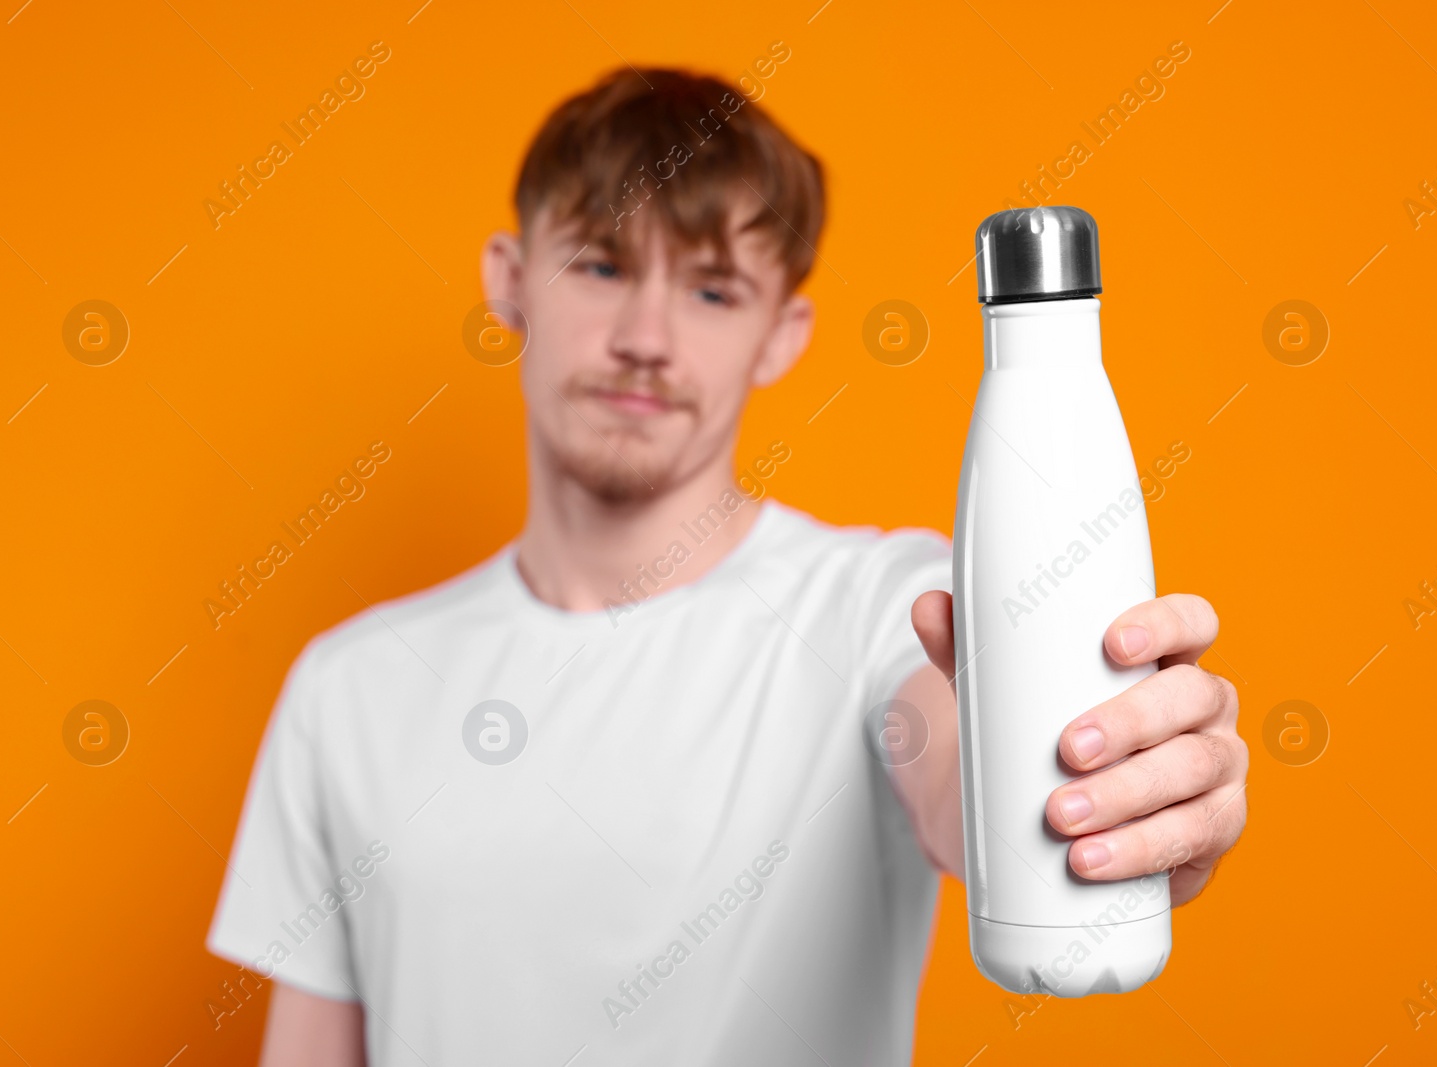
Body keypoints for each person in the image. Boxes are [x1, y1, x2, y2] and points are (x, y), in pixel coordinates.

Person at [206, 66, 1248, 1066]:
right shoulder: (347, 688)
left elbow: (965, 772)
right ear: (509, 281)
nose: (646, 338)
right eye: (603, 265)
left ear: (780, 336)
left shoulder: (885, 610)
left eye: (712, 290)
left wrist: (1112, 799)